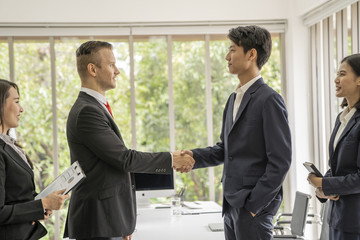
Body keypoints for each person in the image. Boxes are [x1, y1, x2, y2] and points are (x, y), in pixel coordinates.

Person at [63, 41, 194, 240]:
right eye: (111, 65)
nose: (117, 71)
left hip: (108, 220)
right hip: (98, 222)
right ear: (92, 69)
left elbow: (110, 166)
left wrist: (122, 223)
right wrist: (171, 159)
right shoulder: (87, 111)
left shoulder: (94, 107)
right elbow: (124, 159)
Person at [180, 25, 292, 240]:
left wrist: (253, 205)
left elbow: (281, 161)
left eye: (232, 49)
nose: (226, 56)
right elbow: (226, 150)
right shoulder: (234, 99)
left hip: (252, 207)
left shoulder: (269, 99)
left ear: (251, 54)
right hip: (231, 204)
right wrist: (193, 157)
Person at [0, 79, 69, 240]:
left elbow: (15, 197)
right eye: (16, 102)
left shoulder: (9, 145)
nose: (21, 109)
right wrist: (42, 204)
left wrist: (39, 206)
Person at [308, 53, 360, 240]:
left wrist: (324, 183)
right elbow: (337, 167)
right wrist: (323, 189)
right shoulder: (343, 119)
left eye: (343, 74)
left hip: (355, 223)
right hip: (338, 218)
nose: (336, 79)